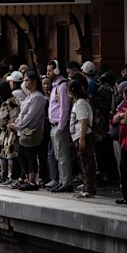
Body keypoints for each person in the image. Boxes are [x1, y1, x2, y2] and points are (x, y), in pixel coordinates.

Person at [9, 71, 47, 191]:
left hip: (31, 130)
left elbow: (31, 115)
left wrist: (18, 126)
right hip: (24, 130)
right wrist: (17, 123)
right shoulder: (30, 95)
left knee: (30, 156)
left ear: (34, 82)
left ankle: (32, 180)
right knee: (21, 155)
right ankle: (26, 178)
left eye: (27, 80)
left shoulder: (38, 97)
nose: (24, 83)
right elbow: (23, 113)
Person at [47, 60, 74, 193]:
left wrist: (61, 127)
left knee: (62, 155)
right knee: (58, 155)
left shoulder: (62, 86)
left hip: (59, 125)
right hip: (54, 125)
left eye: (50, 70)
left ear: (57, 70)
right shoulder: (55, 86)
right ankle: (62, 180)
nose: (48, 73)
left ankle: (66, 182)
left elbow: (64, 107)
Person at [68, 80, 96, 198]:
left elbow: (84, 121)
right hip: (78, 136)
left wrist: (82, 138)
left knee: (86, 163)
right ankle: (86, 187)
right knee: (83, 162)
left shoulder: (81, 103)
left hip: (83, 135)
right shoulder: (77, 103)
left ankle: (89, 189)